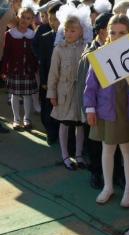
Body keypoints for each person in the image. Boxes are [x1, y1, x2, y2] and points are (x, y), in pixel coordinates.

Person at [84, 14, 129, 207]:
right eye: (113, 32)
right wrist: (90, 108)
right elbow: (91, 86)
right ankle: (108, 186)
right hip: (107, 111)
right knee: (107, 148)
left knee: (127, 149)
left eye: (122, 33)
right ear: (107, 33)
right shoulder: (101, 56)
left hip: (126, 110)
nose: (116, 36)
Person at [47, 4, 92, 170]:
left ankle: (79, 154)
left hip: (80, 93)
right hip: (64, 94)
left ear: (81, 31)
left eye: (73, 30)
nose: (69, 33)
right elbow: (53, 74)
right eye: (66, 30)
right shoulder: (59, 49)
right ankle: (65, 155)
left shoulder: (86, 48)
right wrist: (52, 93)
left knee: (80, 125)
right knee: (64, 124)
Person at [76, 12, 112, 189]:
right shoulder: (91, 54)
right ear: (103, 31)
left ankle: (114, 175)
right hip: (95, 110)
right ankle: (96, 173)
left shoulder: (116, 51)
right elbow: (84, 87)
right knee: (96, 144)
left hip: (113, 110)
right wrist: (87, 110)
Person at [1, 6, 38, 130]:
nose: (24, 20)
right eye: (22, 17)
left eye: (28, 18)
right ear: (18, 17)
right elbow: (6, 53)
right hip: (14, 70)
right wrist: (4, 70)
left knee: (27, 96)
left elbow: (34, 54)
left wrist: (35, 67)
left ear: (31, 20)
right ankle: (16, 119)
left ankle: (27, 119)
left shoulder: (32, 35)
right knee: (15, 95)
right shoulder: (10, 34)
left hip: (28, 71)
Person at [37, 2, 61, 144]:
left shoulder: (69, 37)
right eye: (51, 19)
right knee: (47, 110)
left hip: (63, 81)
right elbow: (43, 61)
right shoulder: (45, 37)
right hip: (48, 81)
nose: (53, 23)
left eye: (56, 19)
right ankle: (50, 132)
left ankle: (61, 135)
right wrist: (45, 82)